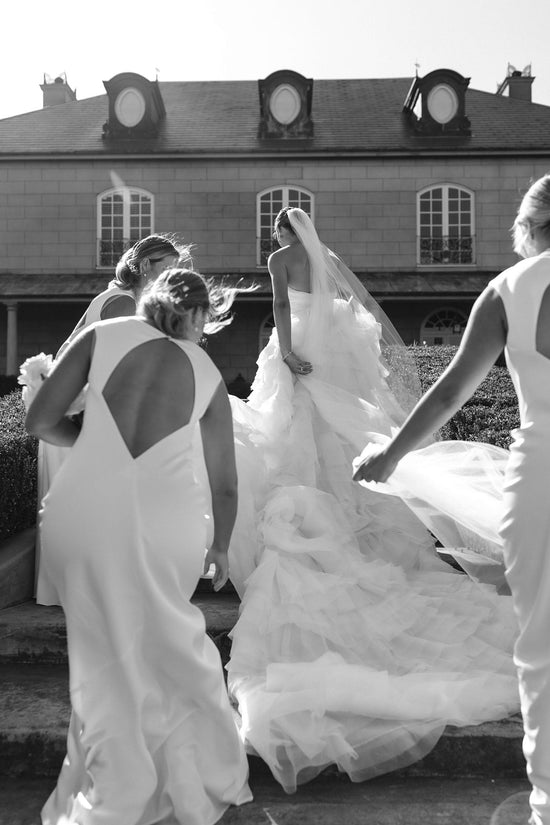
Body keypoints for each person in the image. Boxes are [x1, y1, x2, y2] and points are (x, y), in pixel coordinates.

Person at [224, 206, 520, 793]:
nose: (276, 239)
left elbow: (282, 308)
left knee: (291, 435)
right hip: (331, 360)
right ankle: (351, 511)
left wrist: (286, 351)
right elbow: (350, 314)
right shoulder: (326, 259)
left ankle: (322, 514)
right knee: (330, 438)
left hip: (298, 353)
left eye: (276, 230)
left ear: (284, 233)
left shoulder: (282, 261)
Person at [354, 174, 550, 825]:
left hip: (538, 482)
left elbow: (445, 396)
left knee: (540, 648)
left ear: (528, 227)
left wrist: (391, 454)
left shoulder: (506, 291)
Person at [26, 267, 252, 825]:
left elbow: (39, 420)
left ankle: (116, 773)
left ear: (149, 302)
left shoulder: (103, 335)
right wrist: (221, 545)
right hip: (166, 521)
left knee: (100, 649)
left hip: (84, 510)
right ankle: (190, 773)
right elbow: (224, 482)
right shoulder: (207, 373)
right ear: (201, 314)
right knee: (172, 641)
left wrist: (93, 445)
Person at [35, 234, 185, 603]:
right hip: (84, 407)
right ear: (147, 265)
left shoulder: (130, 299)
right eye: (168, 266)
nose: (174, 274)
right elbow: (119, 359)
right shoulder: (121, 301)